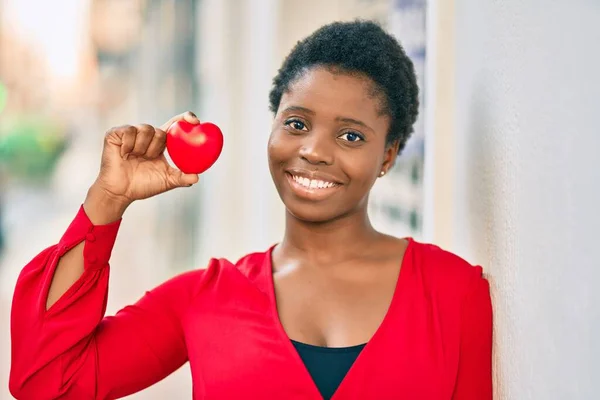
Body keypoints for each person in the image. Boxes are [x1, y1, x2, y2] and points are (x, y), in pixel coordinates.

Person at [9, 21, 492, 400]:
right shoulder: (204, 299)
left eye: (351, 136)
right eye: (297, 123)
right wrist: (107, 201)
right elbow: (50, 382)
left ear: (387, 155)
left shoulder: (453, 293)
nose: (314, 151)